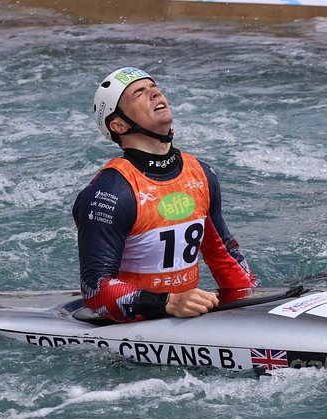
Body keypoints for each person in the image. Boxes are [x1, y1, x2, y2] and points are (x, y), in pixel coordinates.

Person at [72, 67, 258, 322]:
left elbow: (223, 254)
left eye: (154, 87)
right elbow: (95, 289)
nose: (155, 92)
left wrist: (251, 305)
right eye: (139, 92)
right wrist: (168, 302)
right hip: (129, 327)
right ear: (119, 125)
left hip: (186, 313)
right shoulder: (109, 193)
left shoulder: (202, 174)